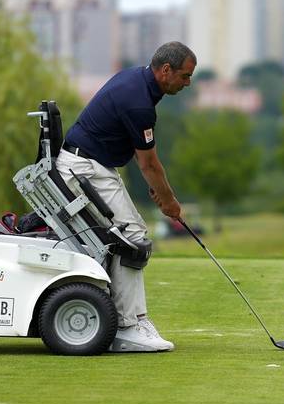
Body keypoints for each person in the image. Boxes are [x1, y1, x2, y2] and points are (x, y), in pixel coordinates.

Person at [56, 41, 196, 352]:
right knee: (133, 235)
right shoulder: (140, 103)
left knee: (125, 235)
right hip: (83, 168)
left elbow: (138, 155)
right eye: (185, 76)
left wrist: (159, 191)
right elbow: (148, 163)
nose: (188, 83)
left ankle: (124, 320)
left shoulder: (136, 80)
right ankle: (129, 326)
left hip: (93, 165)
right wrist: (169, 202)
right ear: (165, 71)